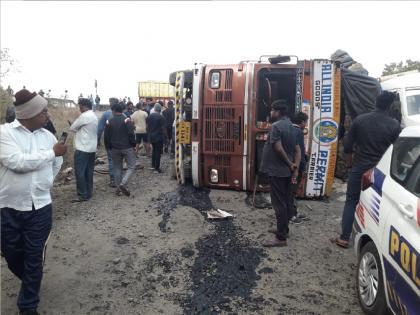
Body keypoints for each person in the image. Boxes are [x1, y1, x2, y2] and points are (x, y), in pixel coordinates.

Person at [0, 89, 67, 315]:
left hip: (40, 208)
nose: (48, 115)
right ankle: (31, 278)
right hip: (9, 207)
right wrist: (51, 154)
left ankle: (28, 306)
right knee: (11, 254)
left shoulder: (48, 137)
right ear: (29, 114)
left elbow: (57, 162)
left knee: (33, 256)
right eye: (44, 111)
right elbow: (17, 162)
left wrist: (46, 180)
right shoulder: (4, 134)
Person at [334, 91, 400, 248]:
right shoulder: (394, 125)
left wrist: (349, 164)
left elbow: (348, 146)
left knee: (351, 201)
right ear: (390, 106)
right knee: (378, 207)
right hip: (381, 172)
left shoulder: (361, 120)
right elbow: (396, 152)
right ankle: (377, 243)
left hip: (360, 168)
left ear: (375, 102)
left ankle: (344, 238)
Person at [259, 100, 300, 247]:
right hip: (287, 172)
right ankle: (284, 229)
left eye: (272, 110)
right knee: (286, 201)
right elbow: (297, 150)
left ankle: (281, 238)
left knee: (279, 204)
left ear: (277, 112)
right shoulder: (291, 125)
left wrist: (290, 164)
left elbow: (277, 147)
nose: (271, 113)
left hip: (278, 171)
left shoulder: (276, 126)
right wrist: (294, 167)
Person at [69, 98, 98, 202]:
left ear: (83, 106)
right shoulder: (94, 115)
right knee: (88, 171)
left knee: (80, 172)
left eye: (80, 106)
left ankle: (82, 194)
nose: (79, 108)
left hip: (82, 147)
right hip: (91, 148)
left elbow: (72, 128)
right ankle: (88, 192)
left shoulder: (84, 116)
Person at [104, 102, 136, 196]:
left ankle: (118, 189)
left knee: (117, 168)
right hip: (127, 147)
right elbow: (131, 133)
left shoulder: (109, 121)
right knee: (131, 166)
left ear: (113, 111)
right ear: (122, 110)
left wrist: (108, 147)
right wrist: (133, 144)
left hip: (114, 148)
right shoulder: (126, 120)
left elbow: (106, 137)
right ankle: (123, 184)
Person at [289, 112, 309, 224]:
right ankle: (291, 215)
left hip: (290, 165)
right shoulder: (298, 132)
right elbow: (299, 151)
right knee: (292, 191)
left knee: (290, 191)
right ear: (302, 122)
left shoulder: (289, 129)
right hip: (296, 168)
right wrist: (302, 167)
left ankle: (293, 212)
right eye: (306, 122)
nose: (306, 124)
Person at [97, 98, 120, 187]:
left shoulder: (106, 114)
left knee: (111, 159)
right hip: (121, 142)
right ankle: (119, 178)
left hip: (110, 141)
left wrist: (98, 140)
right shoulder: (123, 115)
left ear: (110, 104)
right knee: (119, 159)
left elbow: (100, 129)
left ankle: (113, 179)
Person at [147, 103, 167, 173]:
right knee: (158, 152)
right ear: (160, 109)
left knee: (154, 151)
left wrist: (148, 138)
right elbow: (163, 129)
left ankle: (153, 165)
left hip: (151, 136)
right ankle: (157, 168)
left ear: (155, 109)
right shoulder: (161, 117)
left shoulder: (149, 116)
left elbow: (147, 127)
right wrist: (166, 137)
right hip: (158, 137)